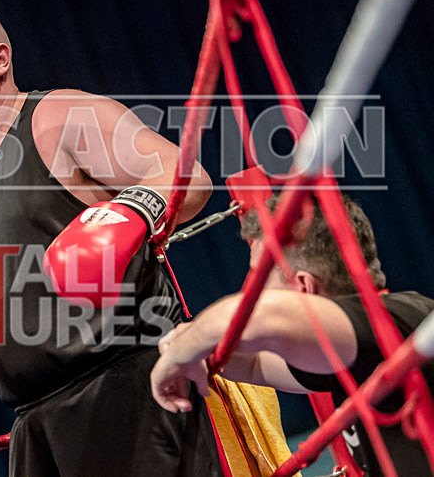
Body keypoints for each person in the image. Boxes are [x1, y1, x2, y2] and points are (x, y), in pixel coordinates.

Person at [0, 4, 226, 476]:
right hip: (32, 419)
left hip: (133, 385)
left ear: (0, 58)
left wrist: (124, 216)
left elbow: (186, 176)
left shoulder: (59, 116)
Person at [150, 193, 434, 476]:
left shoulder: (394, 323)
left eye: (259, 277)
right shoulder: (347, 349)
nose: (249, 290)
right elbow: (254, 364)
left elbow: (262, 317)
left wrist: (176, 355)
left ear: (303, 287)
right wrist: (192, 345)